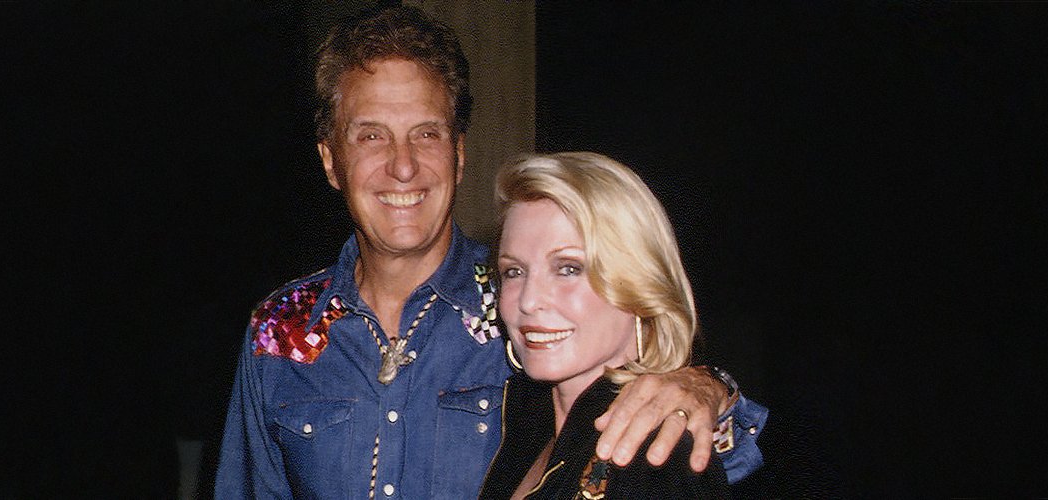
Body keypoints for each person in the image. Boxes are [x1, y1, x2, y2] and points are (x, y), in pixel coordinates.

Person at [215, 7, 766, 498]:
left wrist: (706, 387)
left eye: (426, 134)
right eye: (371, 136)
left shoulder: (526, 315)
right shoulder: (279, 332)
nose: (403, 166)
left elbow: (698, 457)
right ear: (331, 160)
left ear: (458, 155)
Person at [479, 152, 730, 499]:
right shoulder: (525, 426)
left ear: (640, 283)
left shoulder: (656, 455)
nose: (528, 300)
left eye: (568, 268)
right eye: (514, 272)